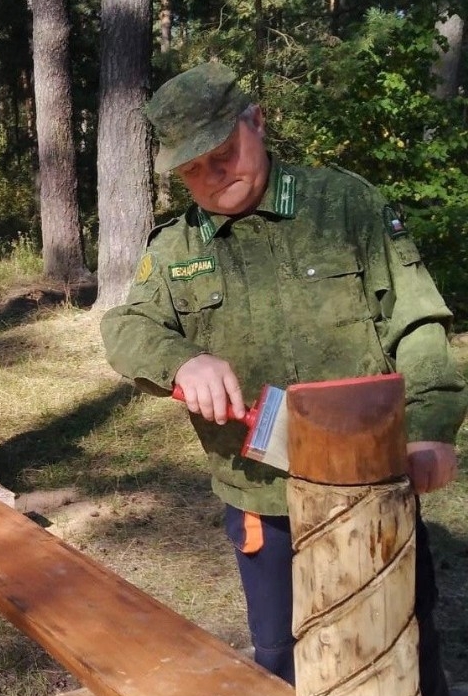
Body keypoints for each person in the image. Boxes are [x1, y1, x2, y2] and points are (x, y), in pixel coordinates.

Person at [100, 62, 466, 694]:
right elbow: (126, 326)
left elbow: (416, 324)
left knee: (400, 645)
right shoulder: (177, 246)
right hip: (261, 500)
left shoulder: (343, 204)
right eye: (191, 169)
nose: (212, 179)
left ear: (258, 122)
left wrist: (433, 431)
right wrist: (183, 360)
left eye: (222, 155)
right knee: (283, 657)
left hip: (373, 489)